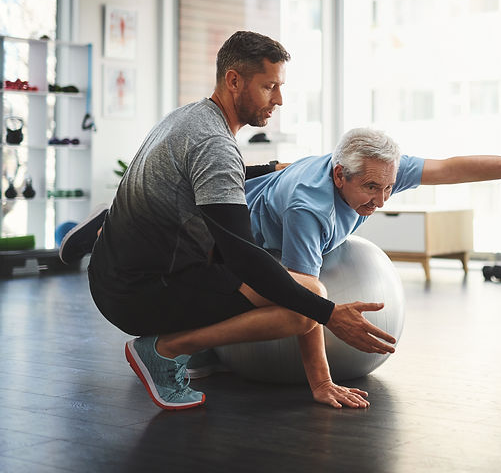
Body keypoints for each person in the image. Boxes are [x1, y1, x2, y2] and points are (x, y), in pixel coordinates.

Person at [64, 31, 396, 412]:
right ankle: (162, 351)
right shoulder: (215, 144)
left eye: (280, 87)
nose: (279, 99)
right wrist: (329, 314)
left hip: (115, 271)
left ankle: (103, 228)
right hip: (136, 294)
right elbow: (244, 259)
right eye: (269, 87)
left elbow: (213, 174)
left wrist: (271, 167)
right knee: (306, 304)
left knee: (291, 288)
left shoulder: (192, 117)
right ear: (234, 80)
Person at [244, 125, 501, 298]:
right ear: (340, 175)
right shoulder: (308, 209)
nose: (381, 201)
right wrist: (322, 383)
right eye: (371, 188)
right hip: (237, 234)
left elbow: (449, 169)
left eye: (388, 188)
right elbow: (302, 299)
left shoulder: (379, 168)